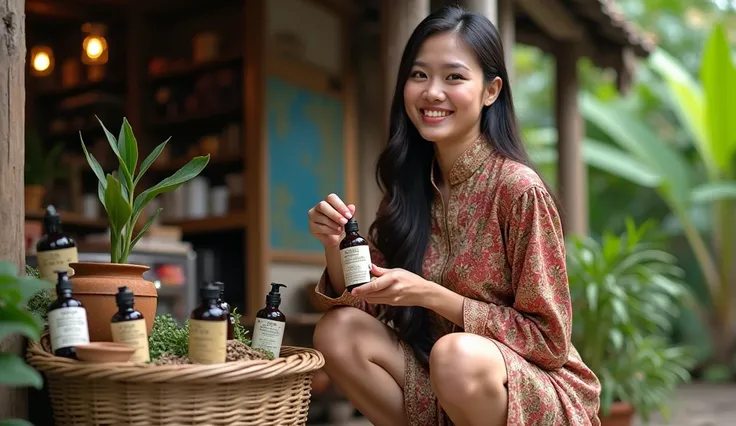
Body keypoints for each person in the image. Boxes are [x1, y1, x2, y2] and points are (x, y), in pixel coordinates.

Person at [307, 5, 601, 426]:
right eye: (419, 74)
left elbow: (549, 341)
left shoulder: (519, 190)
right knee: (338, 331)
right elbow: (367, 304)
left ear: (491, 91)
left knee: (456, 355)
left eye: (455, 77)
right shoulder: (412, 186)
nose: (432, 93)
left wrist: (431, 295)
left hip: (528, 391)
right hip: (440, 381)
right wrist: (335, 246)